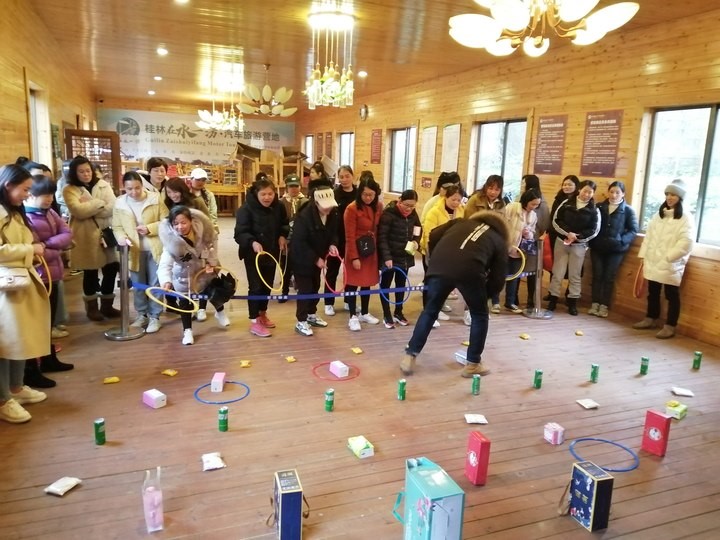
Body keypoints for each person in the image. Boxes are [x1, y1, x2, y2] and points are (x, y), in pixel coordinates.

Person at [400, 210, 509, 377]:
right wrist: (483, 296)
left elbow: (433, 234)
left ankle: (410, 355)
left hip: (439, 266)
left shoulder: (460, 222)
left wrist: (437, 256)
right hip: (471, 271)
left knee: (430, 311)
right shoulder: (499, 240)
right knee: (480, 315)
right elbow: (498, 278)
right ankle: (473, 364)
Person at [0, 164, 51, 423]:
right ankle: (3, 400)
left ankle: (16, 388)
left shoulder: (14, 211)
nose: (27, 195)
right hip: (5, 287)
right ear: (8, 185)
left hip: (21, 282)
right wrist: (30, 250)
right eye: (24, 189)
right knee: (5, 343)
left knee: (20, 338)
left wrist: (31, 249)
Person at [23, 175, 74, 387]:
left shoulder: (50, 213)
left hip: (53, 275)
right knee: (36, 324)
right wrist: (55, 248)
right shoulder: (26, 217)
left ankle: (48, 359)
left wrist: (47, 245)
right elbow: (34, 252)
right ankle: (32, 369)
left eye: (51, 194)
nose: (48, 199)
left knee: (48, 322)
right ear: (30, 195)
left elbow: (67, 233)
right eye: (44, 195)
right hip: (38, 277)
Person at [158, 205, 229, 345]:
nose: (180, 227)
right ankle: (187, 331)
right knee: (185, 304)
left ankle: (220, 311)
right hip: (184, 276)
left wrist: (211, 263)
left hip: (204, 271)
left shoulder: (203, 232)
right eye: (176, 223)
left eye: (183, 222)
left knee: (214, 290)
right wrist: (166, 281)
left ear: (191, 221)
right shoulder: (170, 241)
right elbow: (164, 264)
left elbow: (212, 247)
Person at [633, 179, 694, 339]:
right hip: (653, 260)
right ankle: (650, 318)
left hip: (671, 264)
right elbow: (648, 237)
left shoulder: (686, 218)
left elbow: (687, 242)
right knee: (652, 292)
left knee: (671, 295)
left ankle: (670, 326)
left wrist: (669, 257)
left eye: (673, 194)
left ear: (680, 197)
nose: (669, 197)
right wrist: (644, 255)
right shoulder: (658, 215)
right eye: (667, 194)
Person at [62, 155, 120, 320]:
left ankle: (107, 306)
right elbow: (78, 211)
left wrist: (89, 204)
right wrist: (98, 203)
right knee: (90, 271)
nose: (86, 174)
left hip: (106, 233)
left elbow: (112, 207)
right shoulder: (69, 189)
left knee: (111, 269)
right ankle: (92, 308)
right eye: (81, 171)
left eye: (88, 170)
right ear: (74, 173)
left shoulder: (103, 184)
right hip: (85, 236)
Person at [234, 177, 289, 337]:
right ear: (256, 194)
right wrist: (252, 242)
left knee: (267, 285)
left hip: (271, 252)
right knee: (256, 287)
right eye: (263, 194)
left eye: (270, 194)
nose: (267, 197)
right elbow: (240, 233)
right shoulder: (246, 209)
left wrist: (283, 235)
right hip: (253, 254)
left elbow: (284, 224)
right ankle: (254, 320)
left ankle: (262, 313)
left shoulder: (279, 206)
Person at [112, 172, 166, 334]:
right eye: (129, 189)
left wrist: (149, 228)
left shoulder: (155, 198)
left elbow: (166, 221)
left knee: (155, 284)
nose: (134, 192)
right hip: (133, 250)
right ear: (124, 187)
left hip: (155, 248)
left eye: (137, 188)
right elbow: (117, 226)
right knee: (138, 284)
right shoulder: (120, 203)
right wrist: (121, 238)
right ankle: (142, 314)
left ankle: (155, 316)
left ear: (142, 186)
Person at [290, 187, 339, 336]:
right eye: (325, 206)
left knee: (315, 286)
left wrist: (333, 244)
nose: (328, 209)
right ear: (316, 203)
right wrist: (315, 259)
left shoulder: (332, 214)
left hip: (319, 257)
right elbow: (299, 242)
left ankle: (311, 314)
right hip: (301, 259)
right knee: (305, 289)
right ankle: (301, 321)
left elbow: (334, 233)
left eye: (330, 205)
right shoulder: (304, 217)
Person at [547, 180, 600, 315]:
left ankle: (572, 302)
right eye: (585, 191)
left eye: (590, 192)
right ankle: (553, 299)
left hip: (579, 245)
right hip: (562, 242)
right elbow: (556, 220)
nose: (586, 194)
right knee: (557, 273)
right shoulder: (567, 203)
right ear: (579, 189)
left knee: (575, 275)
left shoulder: (594, 210)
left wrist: (578, 237)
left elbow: (594, 230)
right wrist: (568, 233)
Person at [589, 181, 638, 318]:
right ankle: (594, 303)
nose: (614, 195)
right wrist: (592, 240)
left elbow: (633, 229)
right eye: (611, 192)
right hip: (598, 247)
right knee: (597, 275)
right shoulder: (599, 207)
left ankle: (604, 305)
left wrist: (621, 241)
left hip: (616, 250)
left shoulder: (628, 210)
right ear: (608, 192)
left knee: (609, 277)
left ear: (623, 194)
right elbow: (592, 224)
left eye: (617, 192)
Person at [420, 184, 465, 326]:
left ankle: (439, 305)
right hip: (433, 251)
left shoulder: (461, 211)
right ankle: (429, 311)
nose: (456, 203)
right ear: (446, 197)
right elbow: (428, 234)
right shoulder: (434, 211)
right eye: (453, 199)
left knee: (444, 282)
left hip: (450, 253)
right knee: (431, 282)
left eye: (459, 200)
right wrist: (433, 254)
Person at [344, 171, 383, 331]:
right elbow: (349, 236)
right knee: (353, 283)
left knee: (367, 283)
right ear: (360, 193)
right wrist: (354, 257)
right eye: (365, 194)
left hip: (370, 250)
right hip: (356, 249)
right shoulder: (351, 209)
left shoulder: (378, 206)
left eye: (371, 195)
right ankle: (352, 316)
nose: (368, 198)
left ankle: (365, 312)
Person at [378, 189, 421, 328]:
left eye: (412, 206)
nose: (409, 209)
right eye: (407, 205)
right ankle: (386, 314)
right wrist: (387, 257)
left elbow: (418, 229)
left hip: (405, 256)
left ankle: (398, 312)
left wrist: (416, 241)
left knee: (401, 285)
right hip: (390, 257)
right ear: (400, 201)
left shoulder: (413, 213)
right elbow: (382, 237)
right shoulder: (389, 213)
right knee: (385, 285)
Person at [465, 175, 507, 312]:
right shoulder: (474, 199)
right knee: (474, 278)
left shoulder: (502, 204)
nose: (493, 192)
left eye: (497, 189)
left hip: (492, 244)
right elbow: (468, 221)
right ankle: (468, 310)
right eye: (490, 188)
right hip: (476, 243)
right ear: (486, 187)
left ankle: (485, 306)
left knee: (490, 277)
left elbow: (503, 224)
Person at [323, 164, 357, 316]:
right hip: (336, 238)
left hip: (352, 239)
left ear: (352, 176)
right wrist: (331, 241)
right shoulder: (334, 194)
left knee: (350, 272)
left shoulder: (358, 194)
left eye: (347, 176)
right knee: (332, 271)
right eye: (341, 177)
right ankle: (328, 302)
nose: (344, 179)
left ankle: (349, 301)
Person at [504, 189, 541, 313]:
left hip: (520, 250)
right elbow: (502, 221)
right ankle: (494, 301)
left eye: (537, 205)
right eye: (532, 204)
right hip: (505, 246)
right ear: (526, 201)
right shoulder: (513, 207)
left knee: (514, 276)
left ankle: (510, 302)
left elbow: (532, 232)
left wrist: (528, 234)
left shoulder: (533, 215)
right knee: (499, 274)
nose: (534, 207)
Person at [279, 173, 308, 301]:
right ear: (286, 187)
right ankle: (284, 291)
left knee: (300, 267)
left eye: (296, 186)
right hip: (286, 239)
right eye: (291, 186)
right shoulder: (281, 202)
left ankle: (301, 291)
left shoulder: (306, 202)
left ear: (300, 187)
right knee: (285, 267)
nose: (294, 189)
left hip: (301, 240)